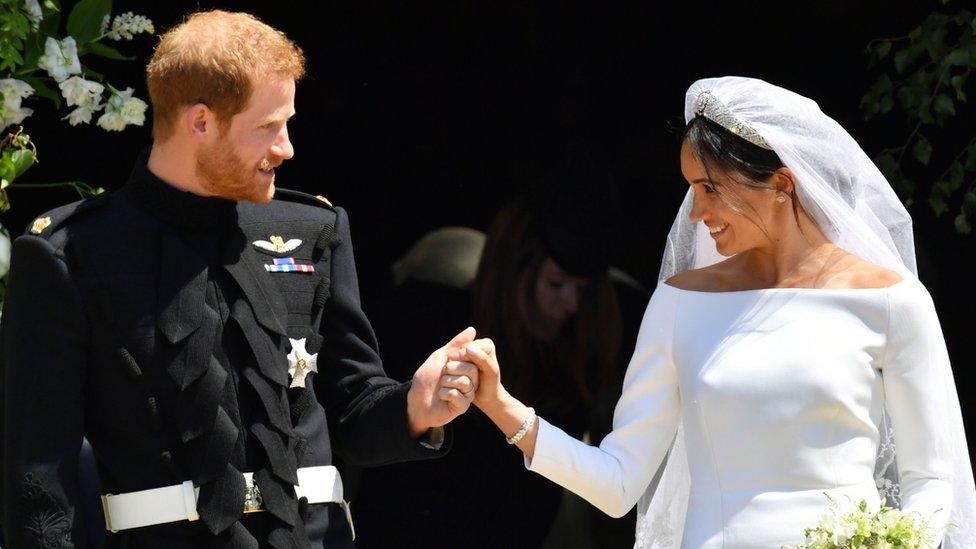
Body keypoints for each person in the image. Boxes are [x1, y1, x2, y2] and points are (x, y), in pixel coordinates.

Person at [0, 11, 480, 548]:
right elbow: (37, 486)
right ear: (200, 122)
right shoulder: (70, 254)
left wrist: (415, 407)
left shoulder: (315, 230)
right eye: (268, 127)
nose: (287, 148)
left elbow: (351, 410)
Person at [455, 76, 976, 548]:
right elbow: (617, 482)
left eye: (710, 189)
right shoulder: (682, 303)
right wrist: (501, 405)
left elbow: (932, 480)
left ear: (781, 184)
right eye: (690, 189)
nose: (696, 213)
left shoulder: (892, 302)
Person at [354, 155, 645, 548]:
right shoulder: (431, 323)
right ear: (516, 273)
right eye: (557, 285)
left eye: (583, 290)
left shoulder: (578, 353)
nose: (571, 305)